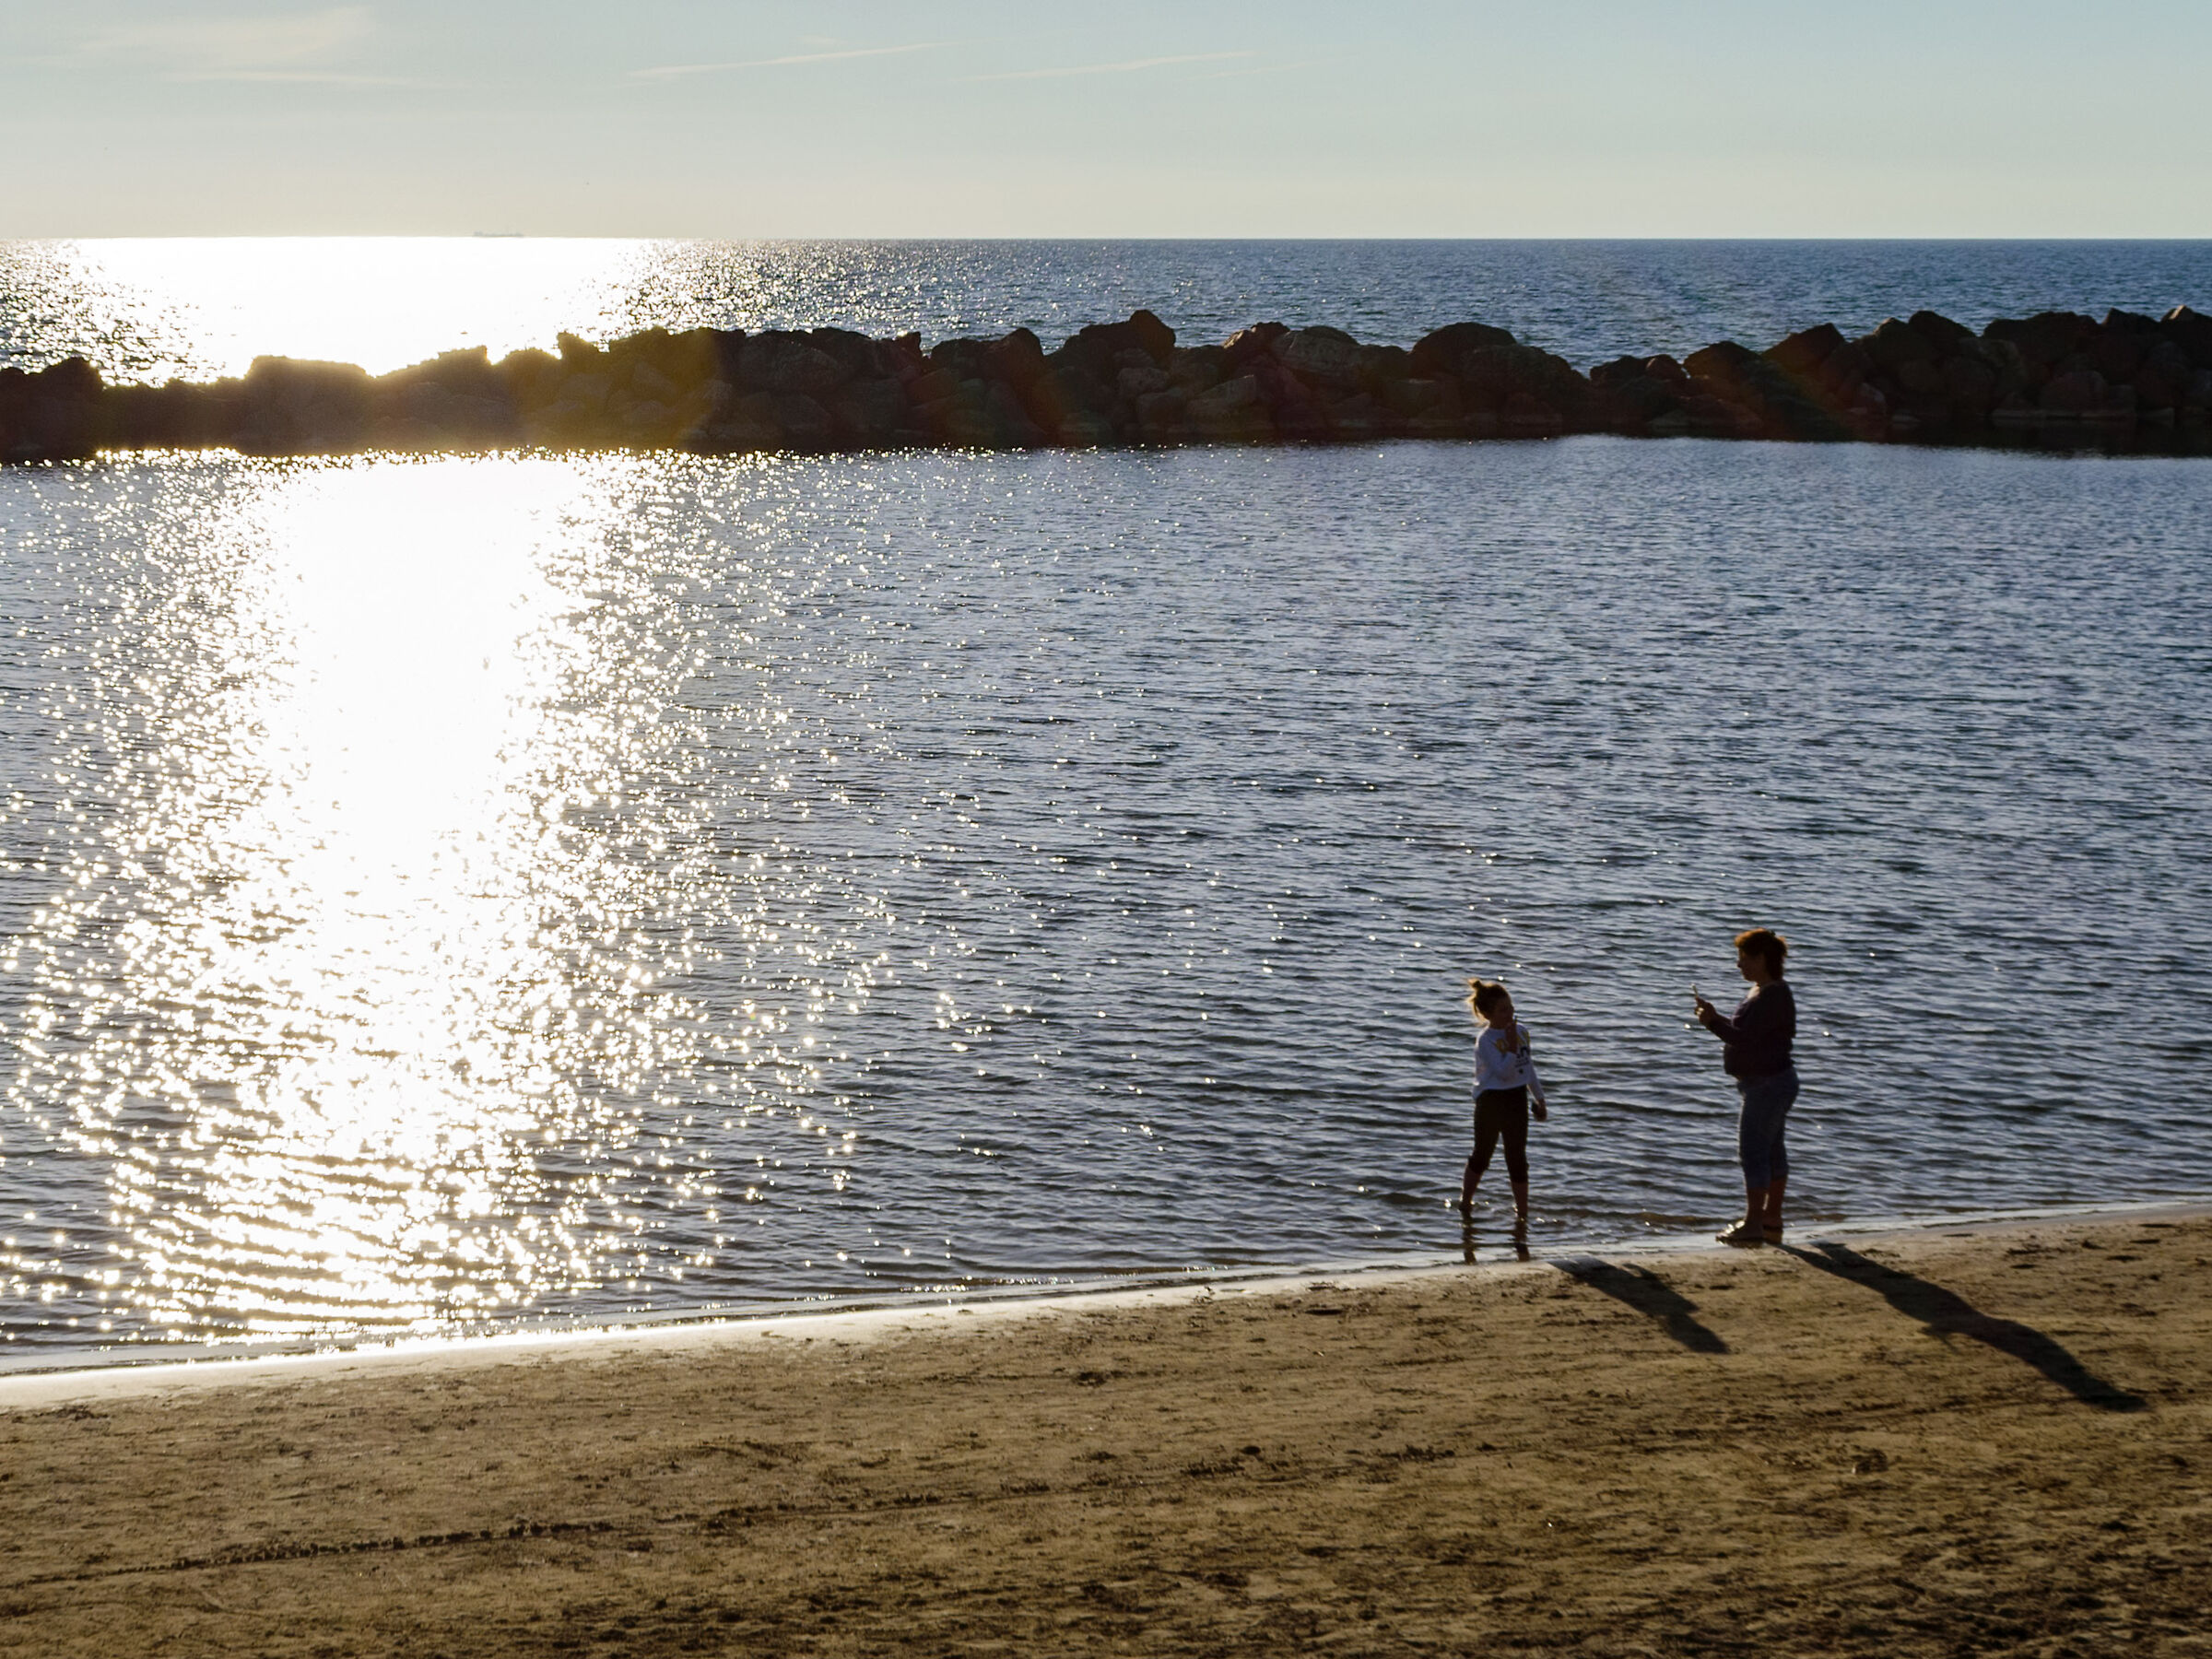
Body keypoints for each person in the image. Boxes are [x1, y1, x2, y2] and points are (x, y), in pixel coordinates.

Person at [1691, 928, 1798, 1247]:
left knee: (1753, 1152)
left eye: (1744, 959)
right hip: (1773, 1081)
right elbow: (1749, 1032)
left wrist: (1711, 1023)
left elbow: (1744, 1039)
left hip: (1767, 1084)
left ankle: (1754, 1222)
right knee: (1772, 1150)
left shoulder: (1771, 994)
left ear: (1762, 959)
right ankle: (1770, 1217)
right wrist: (1715, 1017)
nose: (1739, 965)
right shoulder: (1767, 991)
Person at [1458, 978, 1547, 1223]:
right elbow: (1502, 1072)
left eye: (1511, 1007)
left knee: (1517, 1159)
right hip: (1490, 1101)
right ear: (1487, 1014)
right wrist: (1509, 1047)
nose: (1510, 1013)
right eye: (1503, 1010)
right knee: (1482, 1155)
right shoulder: (1485, 1040)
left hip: (1517, 1098)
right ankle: (1465, 1204)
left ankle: (1523, 1213)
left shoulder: (1521, 1032)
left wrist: (1539, 1098)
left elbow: (1526, 1067)